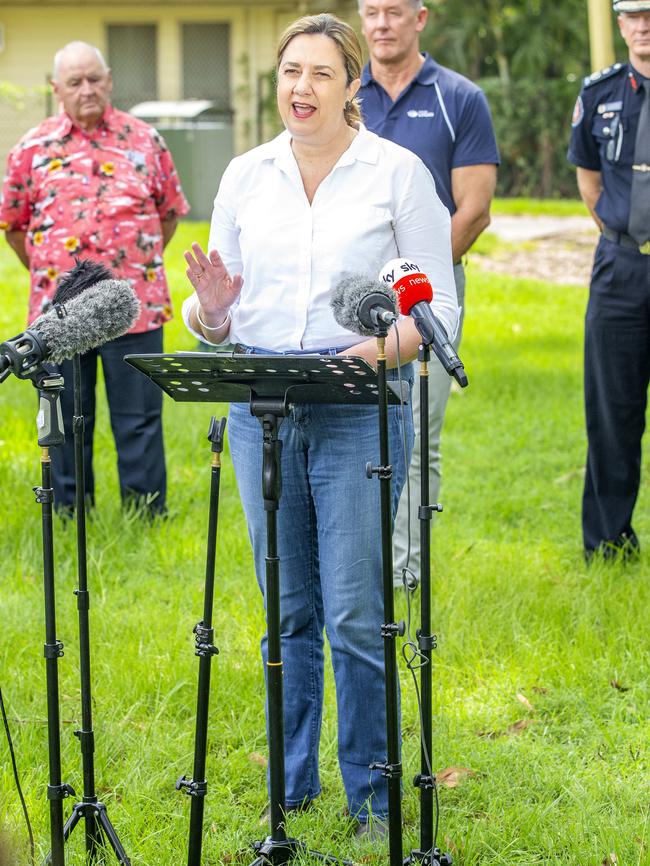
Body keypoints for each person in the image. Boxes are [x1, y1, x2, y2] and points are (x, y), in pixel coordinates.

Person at [181, 13, 458, 836]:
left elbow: (437, 311)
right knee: (286, 610)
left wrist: (376, 351)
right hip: (259, 408)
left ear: (351, 88)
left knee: (352, 611)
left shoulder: (398, 174)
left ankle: (374, 798)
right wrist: (214, 314)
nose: (300, 89)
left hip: (356, 410)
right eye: (289, 72)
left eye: (320, 74)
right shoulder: (244, 175)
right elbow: (212, 310)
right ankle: (291, 787)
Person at [0, 41, 189, 515]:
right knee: (64, 419)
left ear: (109, 80)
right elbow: (16, 227)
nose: (87, 89)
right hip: (57, 316)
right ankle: (70, 513)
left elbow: (168, 215)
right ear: (56, 89)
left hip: (134, 308)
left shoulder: (146, 140)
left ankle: (146, 514)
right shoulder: (31, 148)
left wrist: (129, 268)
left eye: (94, 79)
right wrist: (58, 280)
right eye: (74, 82)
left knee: (139, 419)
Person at [358, 0, 499, 584]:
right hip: (354, 298)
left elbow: (474, 209)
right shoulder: (343, 96)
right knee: (352, 431)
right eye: (371, 11)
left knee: (416, 435)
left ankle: (404, 570)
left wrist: (418, 286)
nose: (382, 23)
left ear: (421, 18)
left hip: (428, 297)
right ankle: (354, 565)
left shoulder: (459, 98)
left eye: (395, 11)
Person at [567, 0, 650, 559]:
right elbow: (590, 181)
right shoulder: (600, 94)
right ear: (620, 23)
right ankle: (609, 542)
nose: (644, 27)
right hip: (622, 268)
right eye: (633, 16)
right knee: (611, 409)